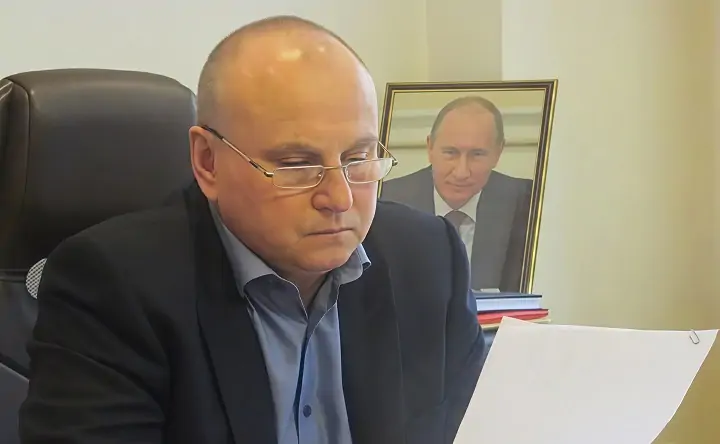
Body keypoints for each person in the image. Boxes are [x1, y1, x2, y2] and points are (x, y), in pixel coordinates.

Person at [18, 15, 485, 444]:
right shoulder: (113, 288)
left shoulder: (428, 259)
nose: (340, 198)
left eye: (359, 157)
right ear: (208, 162)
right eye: (297, 164)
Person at [380, 96, 532, 292]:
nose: (461, 173)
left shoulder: (524, 202)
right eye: (450, 153)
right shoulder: (387, 200)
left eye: (477, 154)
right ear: (430, 147)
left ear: (498, 153)